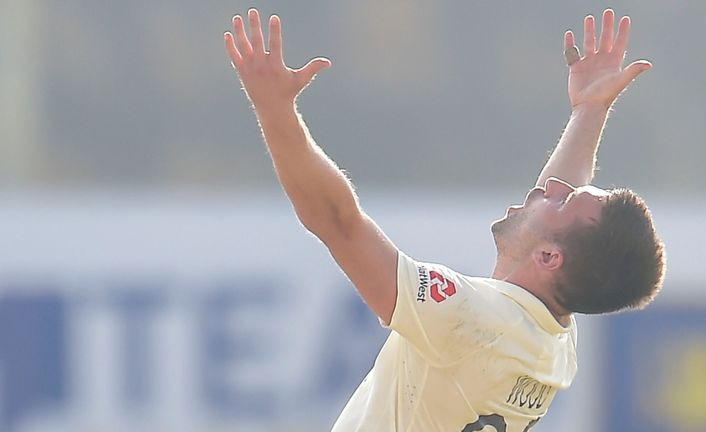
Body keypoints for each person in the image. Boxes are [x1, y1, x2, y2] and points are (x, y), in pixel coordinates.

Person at [224, 8, 666, 431]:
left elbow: (339, 223)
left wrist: (275, 111)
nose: (547, 188)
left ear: (549, 257)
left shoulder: (471, 318)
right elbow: (571, 226)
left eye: (562, 201)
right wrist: (589, 110)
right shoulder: (554, 341)